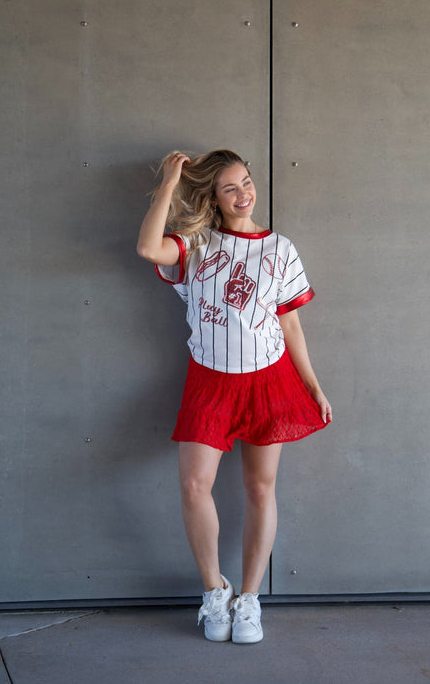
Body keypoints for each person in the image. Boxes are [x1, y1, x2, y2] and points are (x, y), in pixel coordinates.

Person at [136, 149, 331, 644]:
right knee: (194, 486)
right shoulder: (196, 244)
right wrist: (170, 181)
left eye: (246, 182)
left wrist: (312, 385)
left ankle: (249, 599)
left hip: (269, 381)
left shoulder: (281, 249)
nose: (244, 193)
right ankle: (214, 593)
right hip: (210, 382)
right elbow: (146, 250)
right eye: (230, 188)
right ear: (213, 197)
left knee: (260, 490)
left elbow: (290, 323)